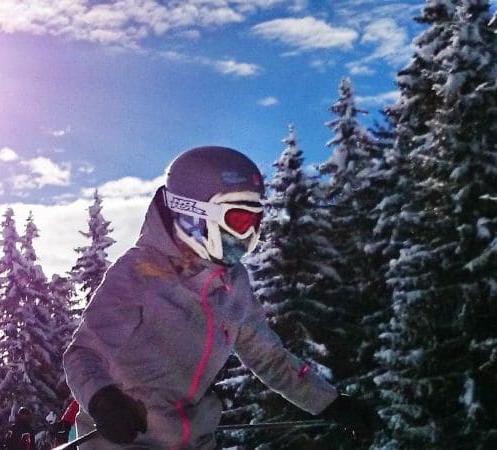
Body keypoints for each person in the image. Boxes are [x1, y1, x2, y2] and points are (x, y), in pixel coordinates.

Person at [62, 146, 381, 449]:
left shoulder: (233, 283)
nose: (246, 237)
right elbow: (83, 354)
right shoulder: (137, 272)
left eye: (254, 222)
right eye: (237, 221)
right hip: (125, 442)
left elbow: (268, 358)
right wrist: (103, 400)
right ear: (191, 213)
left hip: (198, 443)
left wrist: (331, 403)